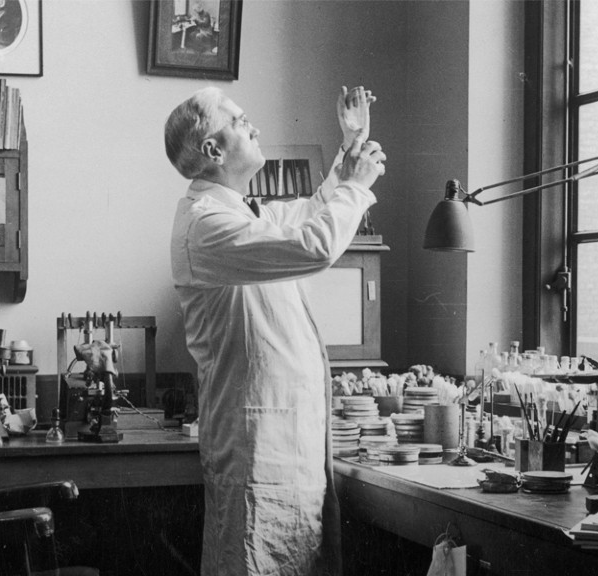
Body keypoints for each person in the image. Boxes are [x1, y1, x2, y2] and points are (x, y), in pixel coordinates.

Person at [166, 86, 384, 576]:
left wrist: (351, 146)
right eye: (240, 121)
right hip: (258, 450)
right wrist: (357, 187)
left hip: (285, 446)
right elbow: (315, 246)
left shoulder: (244, 212)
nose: (254, 127)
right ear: (213, 150)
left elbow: (312, 210)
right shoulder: (206, 225)